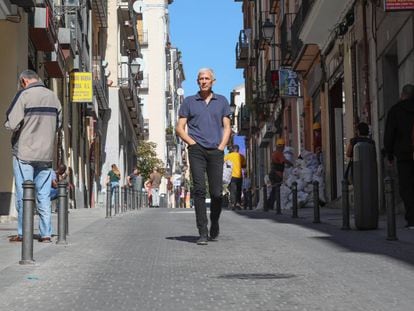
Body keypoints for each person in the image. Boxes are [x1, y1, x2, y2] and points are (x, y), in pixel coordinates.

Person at [5, 69, 62, 243]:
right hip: (46, 155)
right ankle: (46, 234)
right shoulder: (54, 97)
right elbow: (58, 125)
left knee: (25, 194)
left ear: (24, 81)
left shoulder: (24, 95)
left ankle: (24, 233)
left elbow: (11, 124)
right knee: (43, 196)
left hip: (25, 153)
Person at [176, 68, 231, 245]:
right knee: (199, 190)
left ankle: (215, 222)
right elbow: (179, 127)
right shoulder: (189, 102)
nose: (204, 81)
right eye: (201, 79)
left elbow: (227, 127)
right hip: (196, 150)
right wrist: (191, 143)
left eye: (207, 78)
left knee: (216, 193)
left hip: (216, 150)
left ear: (213, 81)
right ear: (197, 81)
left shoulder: (221, 101)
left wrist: (222, 146)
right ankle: (203, 231)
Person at [384, 84, 414, 229]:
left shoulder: (395, 111)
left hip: (404, 155)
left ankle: (412, 218)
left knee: (407, 187)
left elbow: (390, 134)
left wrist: (389, 154)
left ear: (402, 94)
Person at [267, 138, 292, 211]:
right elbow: (284, 160)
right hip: (277, 174)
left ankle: (269, 204)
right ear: (281, 146)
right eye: (283, 146)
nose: (284, 148)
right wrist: (291, 164)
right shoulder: (279, 153)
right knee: (275, 190)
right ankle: (270, 204)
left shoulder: (275, 153)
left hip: (273, 173)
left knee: (274, 190)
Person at [224, 144, 246, 210]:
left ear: (233, 149)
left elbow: (224, 163)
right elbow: (244, 165)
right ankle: (238, 204)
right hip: (239, 176)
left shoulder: (228, 156)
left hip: (232, 176)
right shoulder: (241, 156)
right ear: (238, 150)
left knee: (233, 190)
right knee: (239, 190)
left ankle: (233, 204)